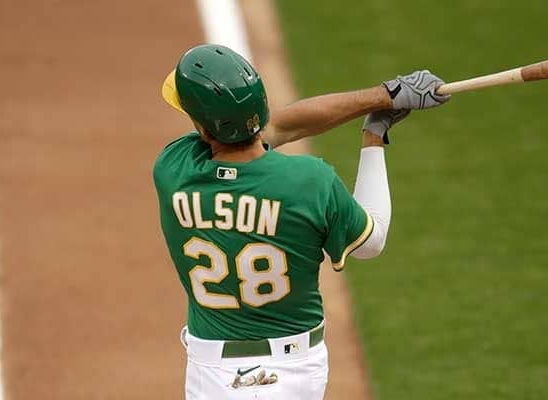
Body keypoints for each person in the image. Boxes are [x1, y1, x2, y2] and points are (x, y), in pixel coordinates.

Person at [153, 44, 449, 400]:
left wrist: (385, 95)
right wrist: (375, 131)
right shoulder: (309, 182)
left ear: (204, 128)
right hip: (293, 373)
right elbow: (371, 243)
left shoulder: (174, 169)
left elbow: (276, 128)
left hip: (210, 376)